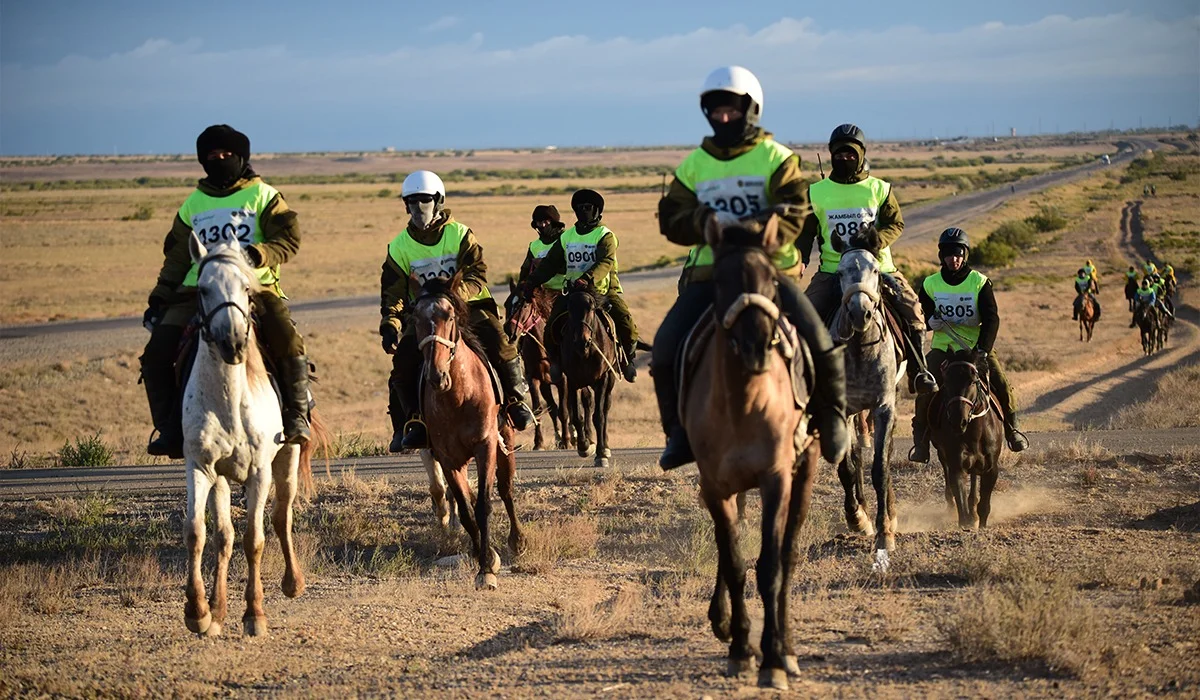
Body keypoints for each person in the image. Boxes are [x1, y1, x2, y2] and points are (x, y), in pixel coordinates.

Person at [653, 65, 848, 470]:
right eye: (716, 111)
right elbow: (671, 217)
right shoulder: (694, 165)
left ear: (751, 110)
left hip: (770, 272)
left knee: (819, 340)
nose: (724, 118)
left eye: (732, 111)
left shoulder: (776, 158)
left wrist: (759, 230)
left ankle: (831, 419)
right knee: (666, 346)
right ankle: (678, 433)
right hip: (712, 274)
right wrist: (702, 223)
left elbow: (797, 210)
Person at [140, 124, 312, 458]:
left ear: (242, 157)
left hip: (253, 287)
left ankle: (296, 415)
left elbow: (289, 239)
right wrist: (161, 295)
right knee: (156, 355)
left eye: (227, 155)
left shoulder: (264, 195)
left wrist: (259, 254)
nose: (220, 159)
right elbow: (177, 254)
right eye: (212, 156)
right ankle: (170, 429)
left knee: (288, 341)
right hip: (197, 291)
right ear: (203, 160)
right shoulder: (194, 203)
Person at [380, 170, 535, 451]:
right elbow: (392, 291)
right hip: (425, 315)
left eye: (424, 201)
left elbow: (477, 274)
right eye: (412, 202)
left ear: (438, 202)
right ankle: (411, 422)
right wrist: (390, 322)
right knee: (402, 363)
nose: (418, 209)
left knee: (499, 342)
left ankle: (515, 401)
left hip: (469, 307)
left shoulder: (460, 234)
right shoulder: (399, 246)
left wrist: (453, 297)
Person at [797, 123, 938, 396]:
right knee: (804, 316)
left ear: (861, 154)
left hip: (878, 268)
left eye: (851, 154)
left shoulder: (880, 188)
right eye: (839, 154)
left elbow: (895, 223)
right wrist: (802, 259)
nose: (845, 158)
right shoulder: (816, 192)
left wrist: (876, 241)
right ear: (831, 155)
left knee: (914, 312)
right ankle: (807, 378)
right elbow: (805, 233)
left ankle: (919, 371)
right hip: (833, 270)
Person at [909, 228, 1028, 462]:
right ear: (941, 256)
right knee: (926, 389)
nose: (954, 259)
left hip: (975, 349)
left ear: (966, 255)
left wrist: (983, 350)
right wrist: (929, 322)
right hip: (943, 349)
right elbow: (920, 316)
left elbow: (992, 318)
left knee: (1002, 384)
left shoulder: (979, 282)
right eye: (949, 254)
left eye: (959, 254)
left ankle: (1013, 431)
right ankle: (921, 441)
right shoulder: (931, 284)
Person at [521, 189, 639, 383]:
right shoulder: (567, 237)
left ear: (597, 211)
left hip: (601, 291)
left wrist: (588, 278)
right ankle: (557, 362)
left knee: (626, 321)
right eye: (579, 208)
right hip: (573, 291)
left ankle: (627, 360)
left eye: (588, 208)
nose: (583, 211)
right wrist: (532, 281)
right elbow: (550, 264)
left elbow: (605, 261)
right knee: (551, 327)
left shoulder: (605, 235)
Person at [515, 205, 566, 293]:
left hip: (565, 290)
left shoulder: (566, 239)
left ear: (553, 222)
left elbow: (573, 266)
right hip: (543, 292)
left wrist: (544, 264)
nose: (542, 225)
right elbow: (525, 270)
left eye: (546, 222)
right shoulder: (534, 246)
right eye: (539, 222)